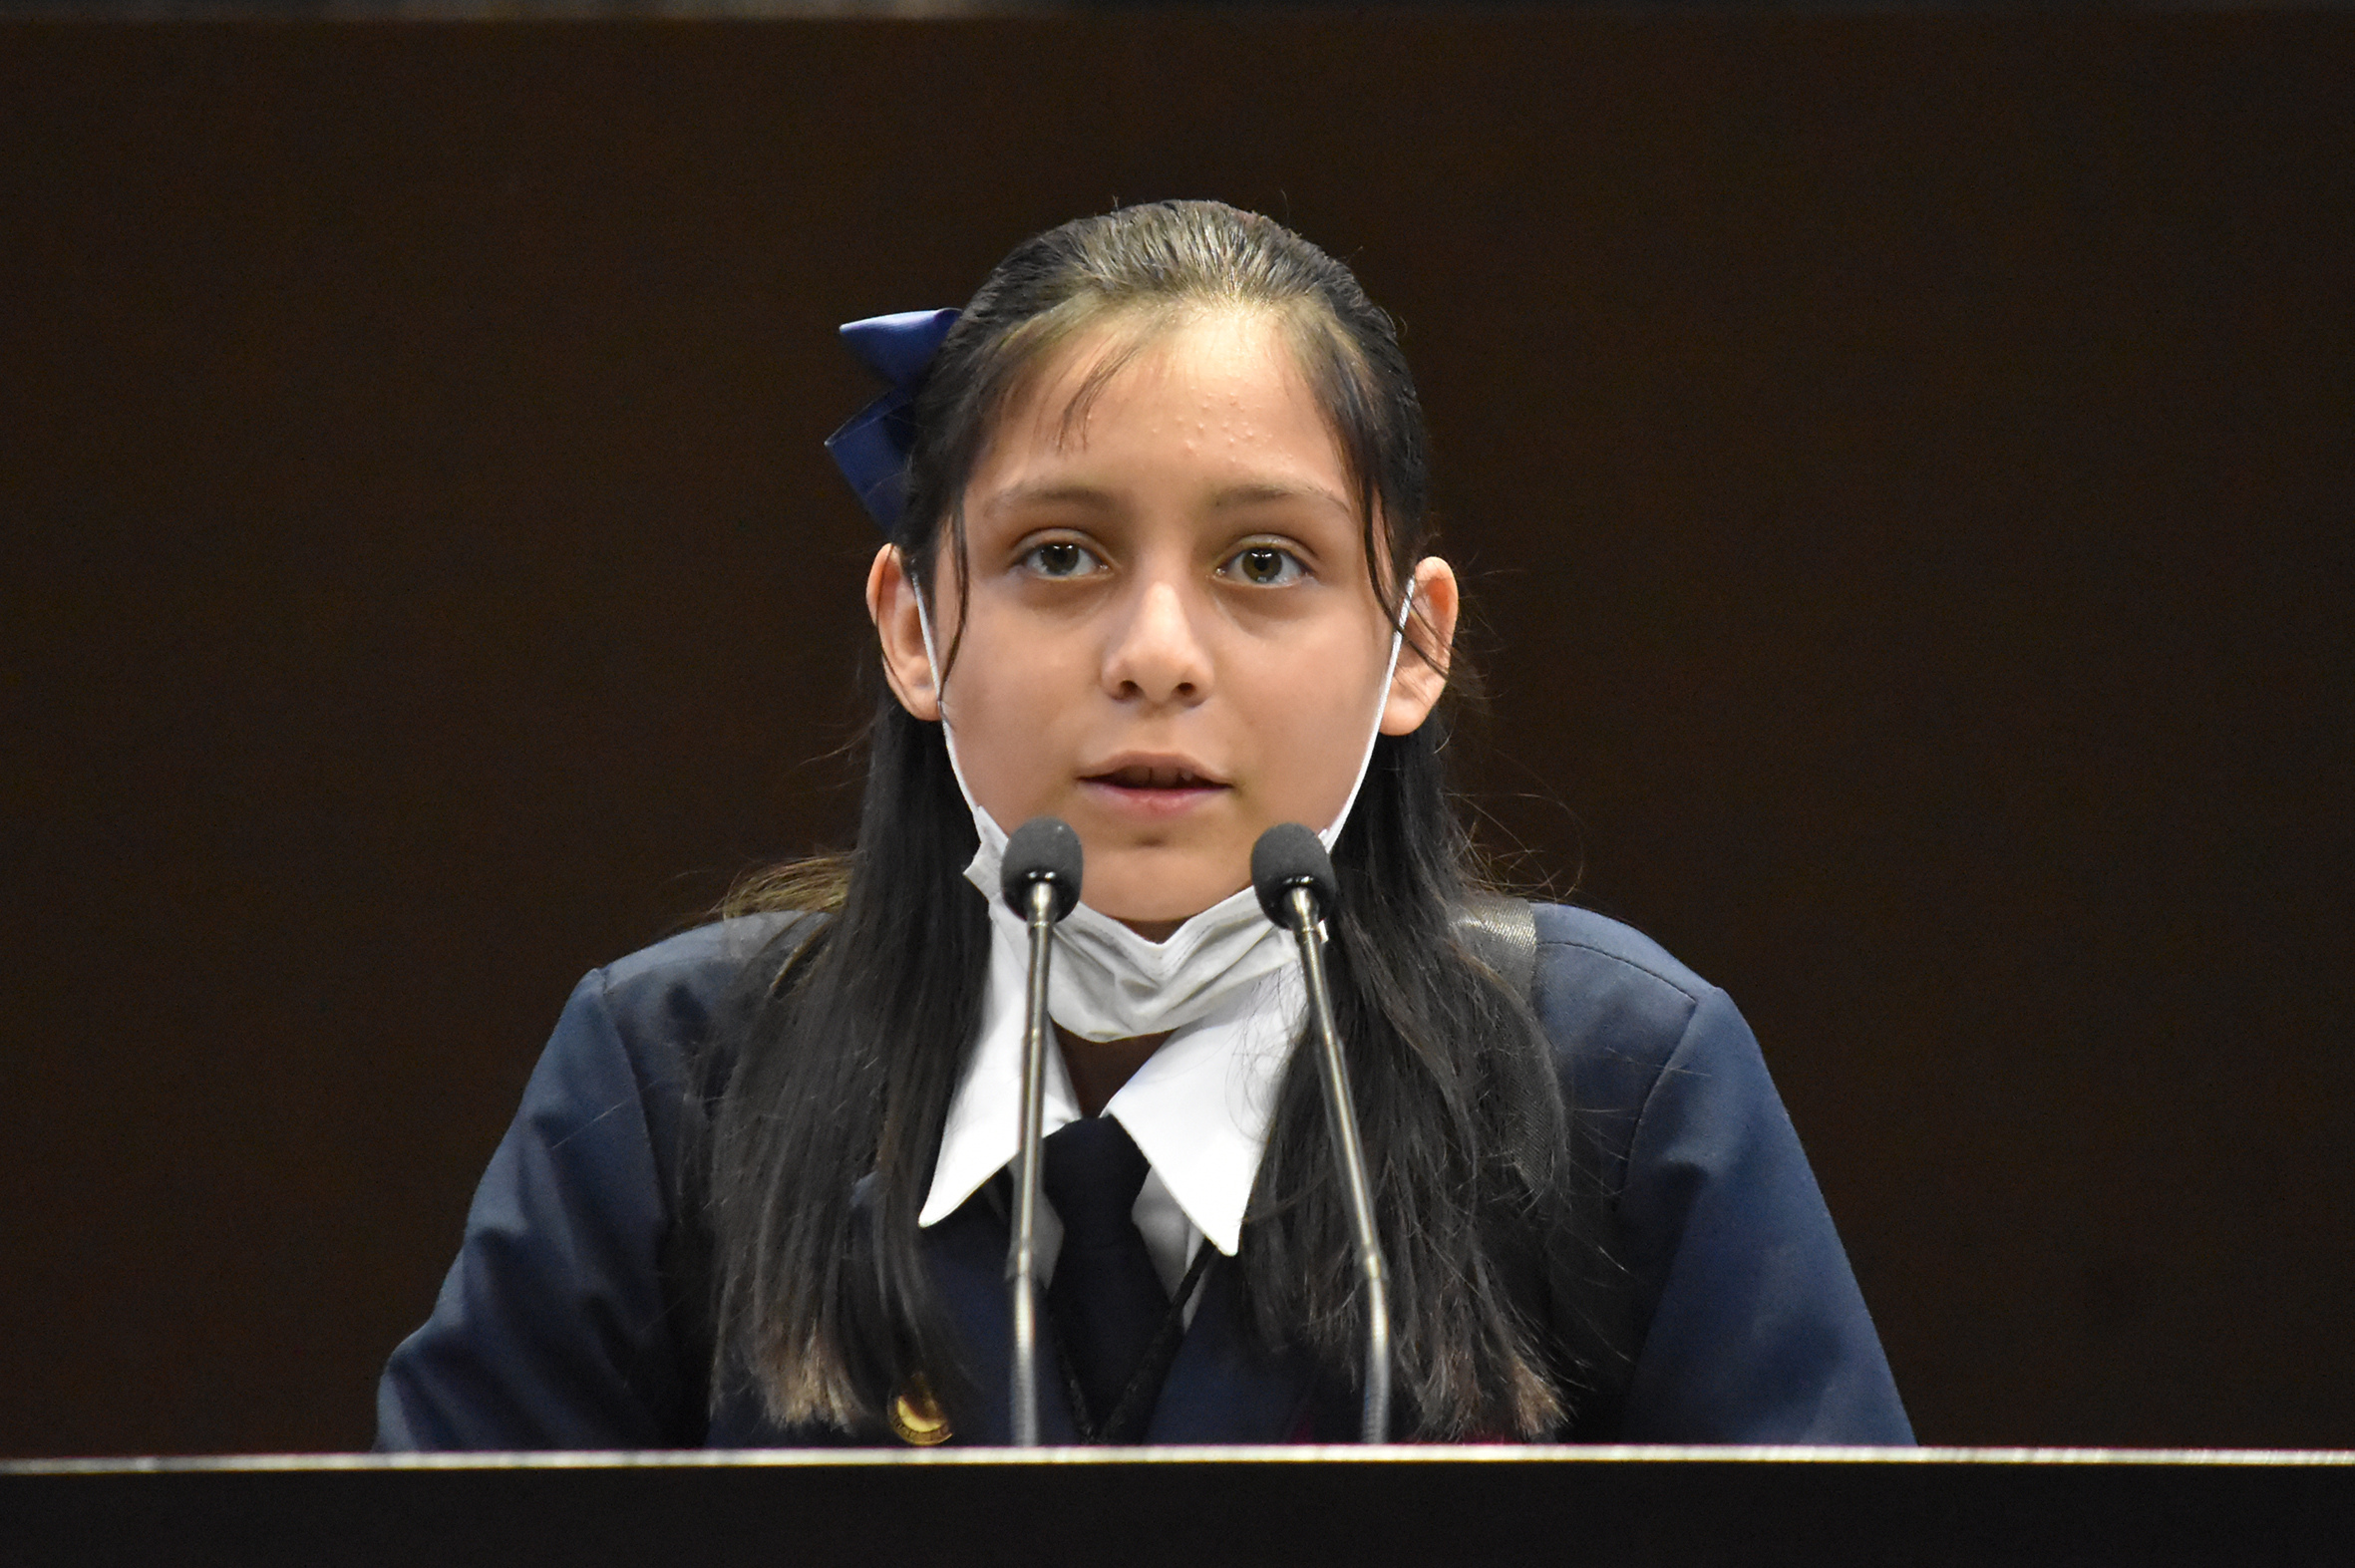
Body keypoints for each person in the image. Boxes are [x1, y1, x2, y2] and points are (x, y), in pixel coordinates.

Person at [376, 200, 1911, 1449]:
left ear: (1413, 644)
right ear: (913, 627)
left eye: (1262, 561)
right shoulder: (669, 1087)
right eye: (1059, 553)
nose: (1157, 653)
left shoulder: (1621, 1088)